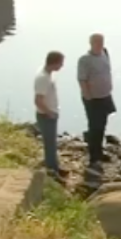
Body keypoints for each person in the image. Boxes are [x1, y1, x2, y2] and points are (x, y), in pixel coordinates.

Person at [77, 33, 116, 166]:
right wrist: (88, 96)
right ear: (91, 43)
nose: (100, 45)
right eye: (97, 42)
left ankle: (99, 151)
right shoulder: (85, 60)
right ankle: (93, 157)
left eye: (101, 42)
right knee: (94, 127)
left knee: (102, 125)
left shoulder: (105, 53)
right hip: (93, 98)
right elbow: (82, 79)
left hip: (105, 95)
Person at [34, 51, 66, 179]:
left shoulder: (48, 74)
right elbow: (38, 100)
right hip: (46, 116)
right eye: (61, 63)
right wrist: (50, 113)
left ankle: (55, 167)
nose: (62, 66)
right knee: (50, 145)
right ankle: (52, 172)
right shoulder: (43, 78)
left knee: (52, 143)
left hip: (50, 114)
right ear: (54, 63)